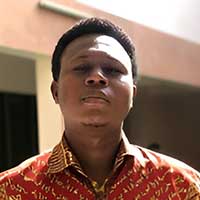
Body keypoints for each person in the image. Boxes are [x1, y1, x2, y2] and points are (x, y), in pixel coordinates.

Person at [0, 17, 199, 200]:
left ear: (133, 95)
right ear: (55, 92)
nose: (96, 77)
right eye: (81, 68)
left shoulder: (183, 187)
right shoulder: (10, 191)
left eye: (112, 70)